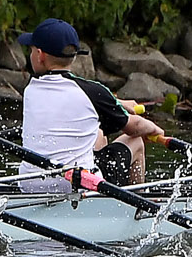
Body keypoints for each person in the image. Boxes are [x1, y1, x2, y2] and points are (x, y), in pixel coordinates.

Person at [17, 19, 167, 191]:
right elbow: (135, 127)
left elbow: (70, 100)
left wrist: (117, 103)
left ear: (40, 55)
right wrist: (155, 130)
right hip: (77, 185)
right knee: (135, 140)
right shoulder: (92, 92)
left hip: (30, 184)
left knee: (99, 133)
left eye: (31, 51)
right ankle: (138, 206)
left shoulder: (31, 87)